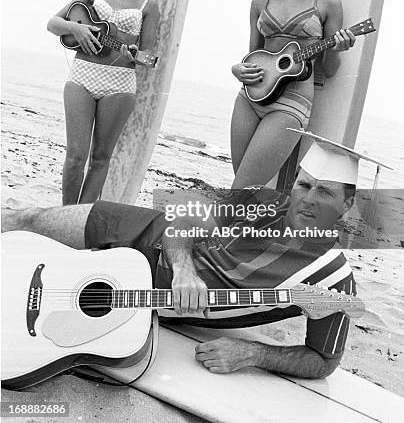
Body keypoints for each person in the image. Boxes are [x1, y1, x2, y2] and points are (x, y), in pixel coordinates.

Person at [2, 133, 385, 379]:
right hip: (149, 234)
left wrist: (253, 353)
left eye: (326, 193)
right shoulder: (262, 201)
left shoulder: (331, 278)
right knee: (30, 219)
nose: (307, 199)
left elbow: (324, 360)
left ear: (348, 203)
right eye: (304, 185)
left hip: (149, 297)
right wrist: (185, 268)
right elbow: (183, 216)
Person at [230, 0, 356, 189]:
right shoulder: (260, 0)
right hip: (249, 98)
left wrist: (336, 49)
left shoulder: (327, 2)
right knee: (244, 190)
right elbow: (255, 56)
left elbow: (330, 70)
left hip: (290, 105)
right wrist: (238, 70)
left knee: (240, 191)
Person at [47, 0, 159, 205]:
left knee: (100, 158)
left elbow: (149, 55)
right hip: (82, 76)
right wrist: (77, 28)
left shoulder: (149, 3)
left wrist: (137, 55)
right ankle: (64, 214)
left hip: (120, 83)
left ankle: (81, 219)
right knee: (75, 156)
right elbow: (52, 23)